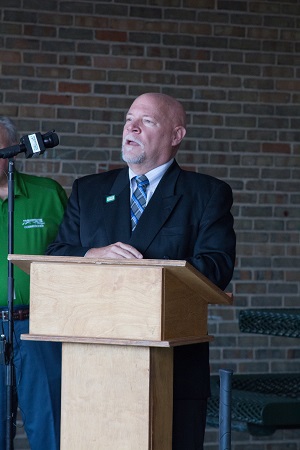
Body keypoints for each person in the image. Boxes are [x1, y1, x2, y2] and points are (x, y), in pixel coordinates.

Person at [46, 92, 236, 449]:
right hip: (92, 371)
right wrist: (93, 254)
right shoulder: (89, 190)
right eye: (129, 119)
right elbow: (58, 254)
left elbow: (216, 267)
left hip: (172, 366)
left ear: (176, 136)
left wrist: (144, 273)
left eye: (146, 121)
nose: (130, 127)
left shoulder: (207, 194)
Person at [0, 117, 68, 450]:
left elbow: (74, 255)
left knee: (51, 428)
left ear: (12, 152)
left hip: (39, 328)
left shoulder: (47, 194)